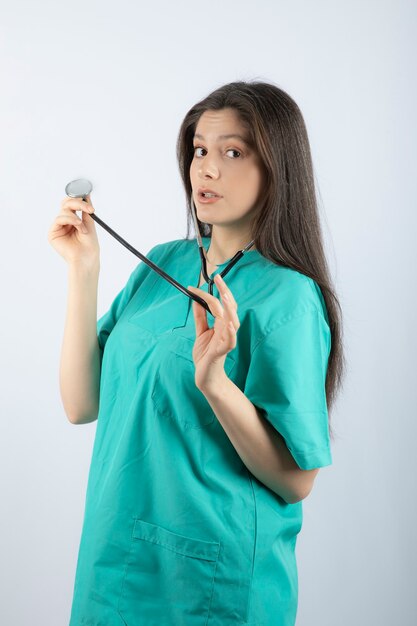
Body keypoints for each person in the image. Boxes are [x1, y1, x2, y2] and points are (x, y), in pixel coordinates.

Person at [48, 80, 345, 626]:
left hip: (212, 579)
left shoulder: (288, 297)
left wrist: (214, 380)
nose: (205, 169)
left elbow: (296, 479)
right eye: (200, 150)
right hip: (113, 560)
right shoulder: (164, 264)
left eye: (232, 152)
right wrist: (83, 271)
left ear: (277, 168)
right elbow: (81, 403)